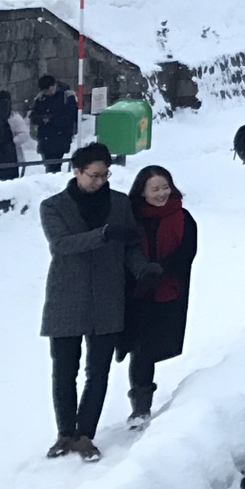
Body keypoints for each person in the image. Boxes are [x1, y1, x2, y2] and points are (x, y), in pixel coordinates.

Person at [41, 143, 153, 462]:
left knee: (98, 371)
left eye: (105, 175)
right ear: (76, 172)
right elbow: (61, 244)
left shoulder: (119, 203)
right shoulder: (53, 206)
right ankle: (65, 432)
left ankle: (85, 434)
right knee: (64, 370)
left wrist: (143, 268)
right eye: (94, 175)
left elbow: (130, 246)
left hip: (108, 295)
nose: (100, 181)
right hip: (67, 296)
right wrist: (103, 234)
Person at [121, 165, 197, 428]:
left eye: (165, 187)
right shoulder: (130, 217)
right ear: (142, 191)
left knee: (149, 349)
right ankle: (139, 406)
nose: (162, 193)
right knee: (138, 349)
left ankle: (142, 405)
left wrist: (160, 271)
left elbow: (186, 253)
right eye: (155, 189)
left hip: (167, 293)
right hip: (135, 293)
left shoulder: (183, 218)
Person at [29, 75, 80, 174]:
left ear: (54, 86)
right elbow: (33, 116)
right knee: (48, 163)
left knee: (55, 163)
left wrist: (52, 120)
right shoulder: (40, 99)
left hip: (60, 135)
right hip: (44, 136)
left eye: (48, 90)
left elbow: (71, 116)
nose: (47, 93)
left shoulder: (66, 97)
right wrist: (42, 120)